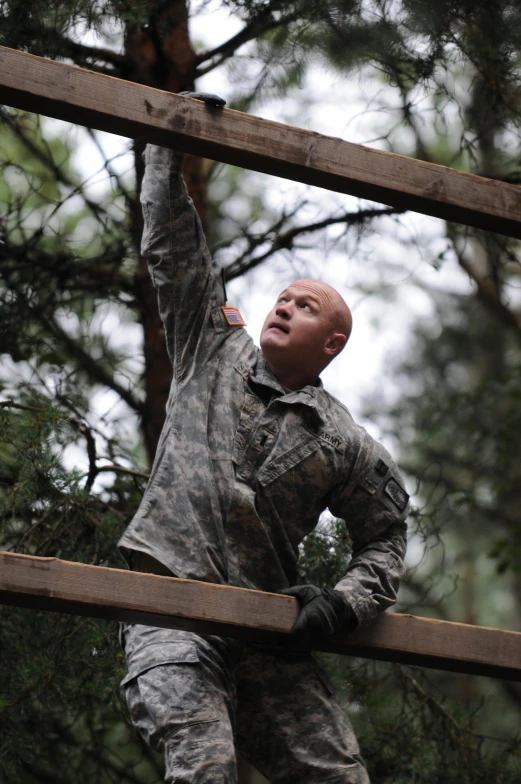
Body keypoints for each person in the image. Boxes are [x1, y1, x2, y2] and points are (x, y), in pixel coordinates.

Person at [118, 92, 408, 784]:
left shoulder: (343, 441)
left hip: (264, 628)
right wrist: (169, 137)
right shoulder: (209, 347)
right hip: (169, 607)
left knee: (339, 778)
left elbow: (386, 537)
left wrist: (342, 603)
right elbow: (171, 244)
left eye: (305, 306)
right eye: (282, 296)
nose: (284, 304)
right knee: (205, 769)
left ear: (331, 343)